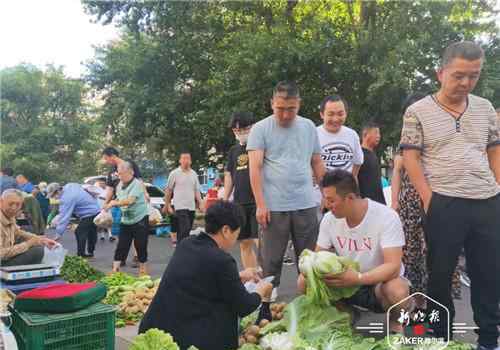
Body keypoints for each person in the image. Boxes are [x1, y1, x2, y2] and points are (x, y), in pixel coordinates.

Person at [400, 41, 500, 350]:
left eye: (474, 75)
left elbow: (494, 151)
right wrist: (430, 200)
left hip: (487, 202)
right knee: (439, 275)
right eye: (459, 75)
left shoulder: (484, 108)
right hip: (444, 202)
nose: (466, 83)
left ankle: (488, 340)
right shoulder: (418, 111)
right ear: (440, 73)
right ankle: (442, 338)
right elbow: (411, 158)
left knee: (488, 274)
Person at [139, 200, 273, 350]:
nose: (236, 240)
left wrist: (239, 276)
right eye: (237, 233)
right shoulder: (222, 260)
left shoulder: (187, 244)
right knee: (225, 313)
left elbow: (202, 280)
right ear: (226, 230)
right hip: (185, 340)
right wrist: (261, 289)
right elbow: (244, 305)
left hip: (156, 329)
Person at [297, 170, 409, 333]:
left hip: (378, 284)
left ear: (349, 198)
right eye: (325, 199)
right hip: (345, 282)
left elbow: (393, 266)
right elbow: (317, 257)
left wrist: (358, 278)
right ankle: (345, 313)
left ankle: (395, 322)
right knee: (304, 281)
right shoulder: (329, 220)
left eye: (331, 200)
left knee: (398, 289)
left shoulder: (386, 217)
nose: (326, 205)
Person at [247, 81, 326, 295]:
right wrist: (260, 204)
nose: (285, 114)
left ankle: (312, 304)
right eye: (280, 108)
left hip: (306, 203)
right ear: (272, 103)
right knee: (270, 263)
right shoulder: (261, 129)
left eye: (291, 109)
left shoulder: (309, 126)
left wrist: (327, 193)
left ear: (298, 104)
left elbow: (317, 162)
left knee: (310, 262)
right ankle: (265, 309)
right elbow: (254, 168)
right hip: (273, 206)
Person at [391, 92, 462, 302]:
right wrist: (394, 203)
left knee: (439, 251)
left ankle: (440, 304)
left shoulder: (444, 136)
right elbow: (397, 171)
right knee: (411, 254)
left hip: (438, 201)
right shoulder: (405, 140)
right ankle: (419, 304)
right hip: (410, 205)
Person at [224, 111, 259, 269]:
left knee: (261, 243)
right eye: (236, 131)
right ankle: (252, 278)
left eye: (243, 130)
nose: (240, 133)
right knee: (244, 243)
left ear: (252, 127)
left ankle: (270, 282)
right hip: (240, 202)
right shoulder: (233, 151)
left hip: (258, 201)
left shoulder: (260, 146)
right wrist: (225, 197)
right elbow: (229, 175)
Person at [102, 146, 146, 264]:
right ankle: (121, 258)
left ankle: (137, 256)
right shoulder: (111, 171)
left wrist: (145, 194)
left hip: (133, 202)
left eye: (106, 158)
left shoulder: (130, 164)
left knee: (136, 233)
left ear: (112, 156)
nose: (106, 161)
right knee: (121, 232)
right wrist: (106, 203)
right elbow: (110, 189)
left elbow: (139, 181)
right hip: (118, 203)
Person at [105, 162, 150, 276]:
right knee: (122, 245)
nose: (119, 176)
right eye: (118, 174)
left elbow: (130, 200)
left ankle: (143, 269)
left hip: (140, 218)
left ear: (131, 172)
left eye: (121, 174)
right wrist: (107, 205)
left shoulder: (137, 184)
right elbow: (120, 199)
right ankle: (115, 269)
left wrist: (114, 203)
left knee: (141, 245)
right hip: (126, 219)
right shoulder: (119, 185)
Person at [1, 189, 57, 266]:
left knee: (37, 244)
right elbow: (1, 254)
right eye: (10, 204)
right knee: (37, 251)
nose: (14, 208)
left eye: (17, 205)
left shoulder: (8, 216)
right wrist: (28, 244)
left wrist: (41, 239)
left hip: (5, 256)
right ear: (1, 202)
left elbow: (18, 232)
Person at [46, 182, 101, 257]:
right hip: (96, 209)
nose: (54, 198)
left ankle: (81, 254)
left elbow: (64, 217)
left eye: (53, 195)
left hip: (90, 213)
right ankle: (91, 252)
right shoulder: (69, 186)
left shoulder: (66, 198)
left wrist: (59, 233)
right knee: (91, 231)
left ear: (58, 191)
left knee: (79, 231)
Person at [163, 153, 203, 243]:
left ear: (191, 161)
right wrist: (167, 205)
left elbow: (196, 190)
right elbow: (168, 190)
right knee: (184, 228)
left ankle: (181, 247)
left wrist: (200, 203)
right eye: (184, 158)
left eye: (188, 158)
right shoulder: (174, 173)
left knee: (187, 229)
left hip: (191, 206)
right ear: (180, 161)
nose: (186, 160)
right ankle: (182, 249)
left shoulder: (194, 174)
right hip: (180, 206)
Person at [358, 122, 386, 204]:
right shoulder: (359, 155)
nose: (378, 136)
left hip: (378, 202)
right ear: (365, 134)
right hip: (366, 203)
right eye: (375, 133)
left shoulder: (373, 154)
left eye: (379, 133)